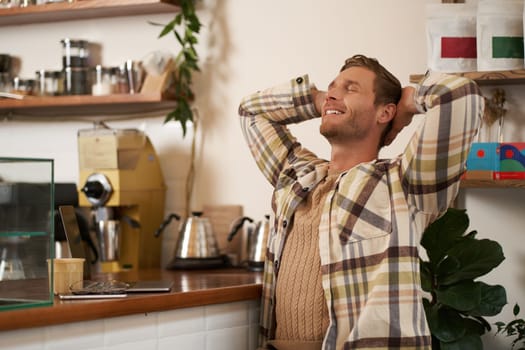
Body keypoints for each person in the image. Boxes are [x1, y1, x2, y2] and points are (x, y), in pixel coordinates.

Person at [238, 54, 484, 350]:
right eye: (333, 86)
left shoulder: (404, 182)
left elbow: (461, 96)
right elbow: (250, 112)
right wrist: (320, 100)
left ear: (384, 113)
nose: (334, 92)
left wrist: (407, 102)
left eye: (350, 88)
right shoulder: (298, 176)